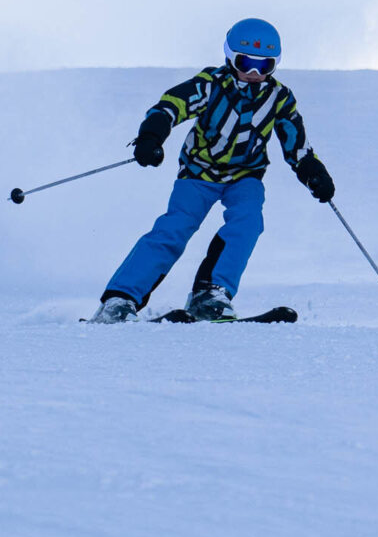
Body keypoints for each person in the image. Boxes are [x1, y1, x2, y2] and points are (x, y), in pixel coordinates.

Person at [90, 18, 336, 322]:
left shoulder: (279, 98)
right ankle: (119, 300)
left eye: (265, 66)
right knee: (174, 229)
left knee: (247, 223)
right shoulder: (211, 85)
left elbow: (296, 143)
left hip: (245, 175)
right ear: (231, 58)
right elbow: (170, 106)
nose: (254, 73)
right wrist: (151, 137)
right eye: (246, 62)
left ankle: (210, 294)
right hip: (198, 173)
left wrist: (313, 172)